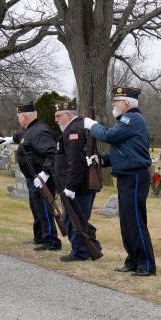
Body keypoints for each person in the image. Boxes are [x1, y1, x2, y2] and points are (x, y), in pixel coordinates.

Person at [84, 85, 156, 276]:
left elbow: (109, 136)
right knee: (126, 222)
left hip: (135, 176)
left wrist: (92, 125)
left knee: (135, 221)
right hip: (126, 176)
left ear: (125, 103)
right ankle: (132, 259)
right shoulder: (125, 121)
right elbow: (121, 150)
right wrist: (101, 160)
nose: (113, 105)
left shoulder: (132, 119)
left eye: (116, 102)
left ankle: (146, 264)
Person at [0, 102, 61, 251]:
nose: (18, 119)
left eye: (19, 117)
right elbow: (22, 137)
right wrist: (9, 139)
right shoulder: (31, 129)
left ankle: (51, 241)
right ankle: (39, 237)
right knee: (37, 209)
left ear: (24, 116)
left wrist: (45, 173)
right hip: (33, 178)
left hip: (41, 178)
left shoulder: (40, 131)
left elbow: (52, 152)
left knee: (45, 209)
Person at [53, 99, 100, 261]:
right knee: (74, 218)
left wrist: (71, 186)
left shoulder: (74, 130)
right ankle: (90, 247)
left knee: (74, 219)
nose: (56, 120)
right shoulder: (76, 128)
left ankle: (81, 252)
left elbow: (75, 161)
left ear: (68, 114)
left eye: (58, 116)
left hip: (79, 186)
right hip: (80, 184)